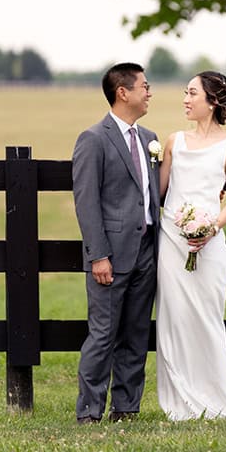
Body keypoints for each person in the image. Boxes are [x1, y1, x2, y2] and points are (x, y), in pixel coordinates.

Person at [72, 62, 160, 424]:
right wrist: (99, 256)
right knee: (104, 334)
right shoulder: (93, 139)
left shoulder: (148, 137)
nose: (149, 92)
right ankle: (90, 411)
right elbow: (86, 201)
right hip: (110, 255)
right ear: (123, 92)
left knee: (136, 333)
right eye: (144, 86)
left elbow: (152, 192)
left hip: (147, 252)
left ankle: (126, 408)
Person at [156, 71, 226, 421]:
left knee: (208, 317)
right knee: (174, 319)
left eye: (192, 93)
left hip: (209, 246)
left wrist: (210, 228)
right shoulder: (173, 141)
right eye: (185, 92)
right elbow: (159, 194)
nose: (185, 99)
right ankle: (179, 401)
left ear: (212, 101)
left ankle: (216, 399)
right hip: (171, 242)